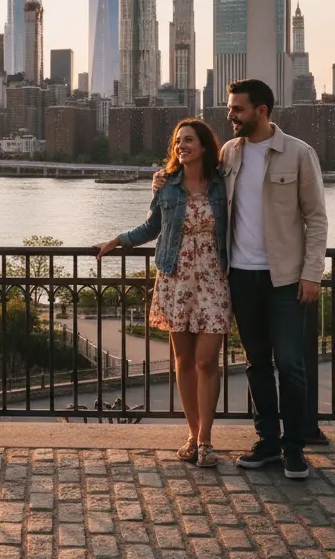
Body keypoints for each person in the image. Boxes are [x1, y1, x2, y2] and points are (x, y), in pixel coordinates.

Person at [152, 79, 327, 480]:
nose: (230, 115)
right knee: (257, 364)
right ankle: (267, 442)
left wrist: (311, 273)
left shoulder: (299, 154)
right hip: (240, 276)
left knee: (290, 362)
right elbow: (189, 179)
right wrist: (163, 178)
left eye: (237, 109)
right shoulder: (229, 154)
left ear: (261, 110)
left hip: (285, 278)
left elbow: (316, 219)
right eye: (230, 109)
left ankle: (295, 446)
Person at [96, 119, 231, 467]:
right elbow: (152, 226)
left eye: (189, 140)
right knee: (184, 361)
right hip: (175, 279)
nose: (181, 146)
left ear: (203, 146)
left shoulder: (222, 184)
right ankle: (192, 435)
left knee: (206, 361)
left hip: (213, 280)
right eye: (177, 141)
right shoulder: (166, 186)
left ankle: (207, 439)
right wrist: (118, 240)